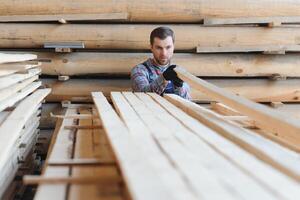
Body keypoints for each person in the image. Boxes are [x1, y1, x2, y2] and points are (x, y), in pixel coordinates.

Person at [130, 26, 191, 100]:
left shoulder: (179, 71)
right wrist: (164, 78)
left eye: (168, 47)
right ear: (151, 47)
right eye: (159, 48)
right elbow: (143, 95)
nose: (164, 53)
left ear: (173, 47)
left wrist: (179, 86)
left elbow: (187, 102)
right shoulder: (139, 70)